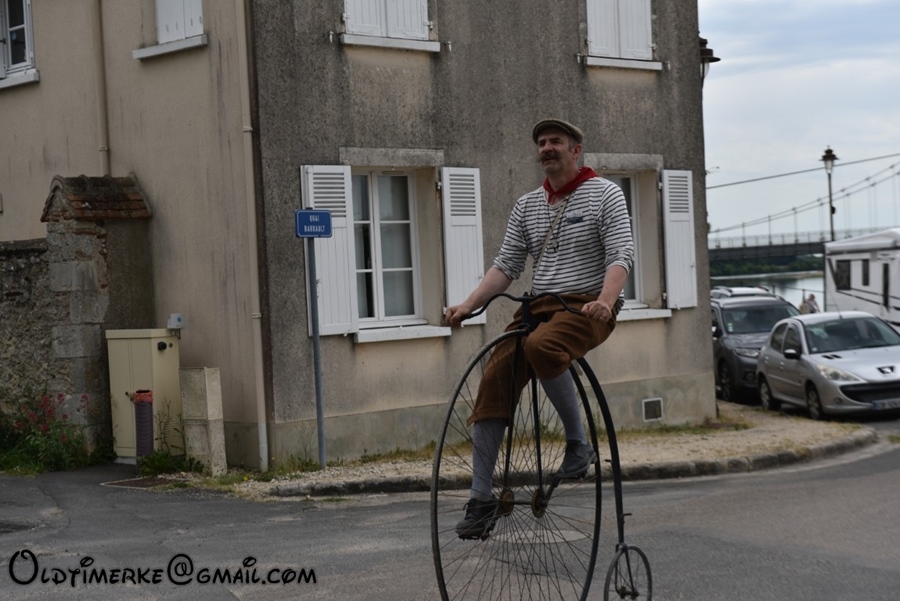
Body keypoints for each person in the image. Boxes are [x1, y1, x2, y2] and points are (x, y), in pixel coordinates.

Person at [445, 118, 634, 539]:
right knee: (494, 378)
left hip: (586, 305)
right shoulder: (527, 205)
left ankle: (577, 443)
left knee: (542, 346)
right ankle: (480, 500)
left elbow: (621, 254)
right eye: (542, 142)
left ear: (576, 150)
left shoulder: (605, 194)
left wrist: (606, 301)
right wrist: (468, 306)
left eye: (556, 142)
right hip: (539, 305)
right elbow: (506, 266)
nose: (547, 148)